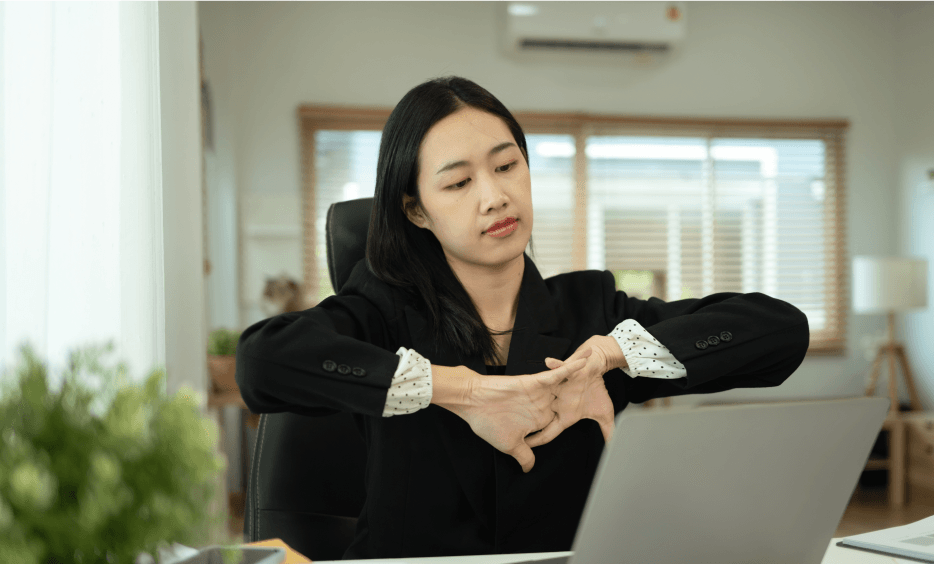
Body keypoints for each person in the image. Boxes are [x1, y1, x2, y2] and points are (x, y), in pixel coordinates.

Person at [235, 76, 810, 560]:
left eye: (507, 166)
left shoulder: (590, 310)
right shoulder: (381, 308)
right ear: (416, 210)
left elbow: (780, 330)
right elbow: (262, 362)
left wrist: (611, 355)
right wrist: (456, 389)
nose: (494, 196)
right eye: (459, 182)